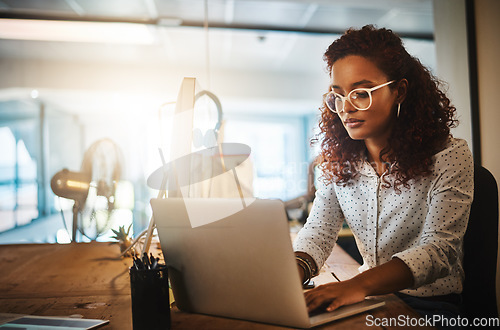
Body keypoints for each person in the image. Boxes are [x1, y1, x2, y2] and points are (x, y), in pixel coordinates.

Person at [293, 25, 473, 325]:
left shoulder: (449, 155)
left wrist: (353, 287)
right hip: (372, 301)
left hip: (431, 307)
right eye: (337, 96)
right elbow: (319, 232)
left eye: (361, 93)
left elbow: (440, 250)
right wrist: (290, 274)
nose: (345, 108)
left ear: (399, 91)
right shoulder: (338, 162)